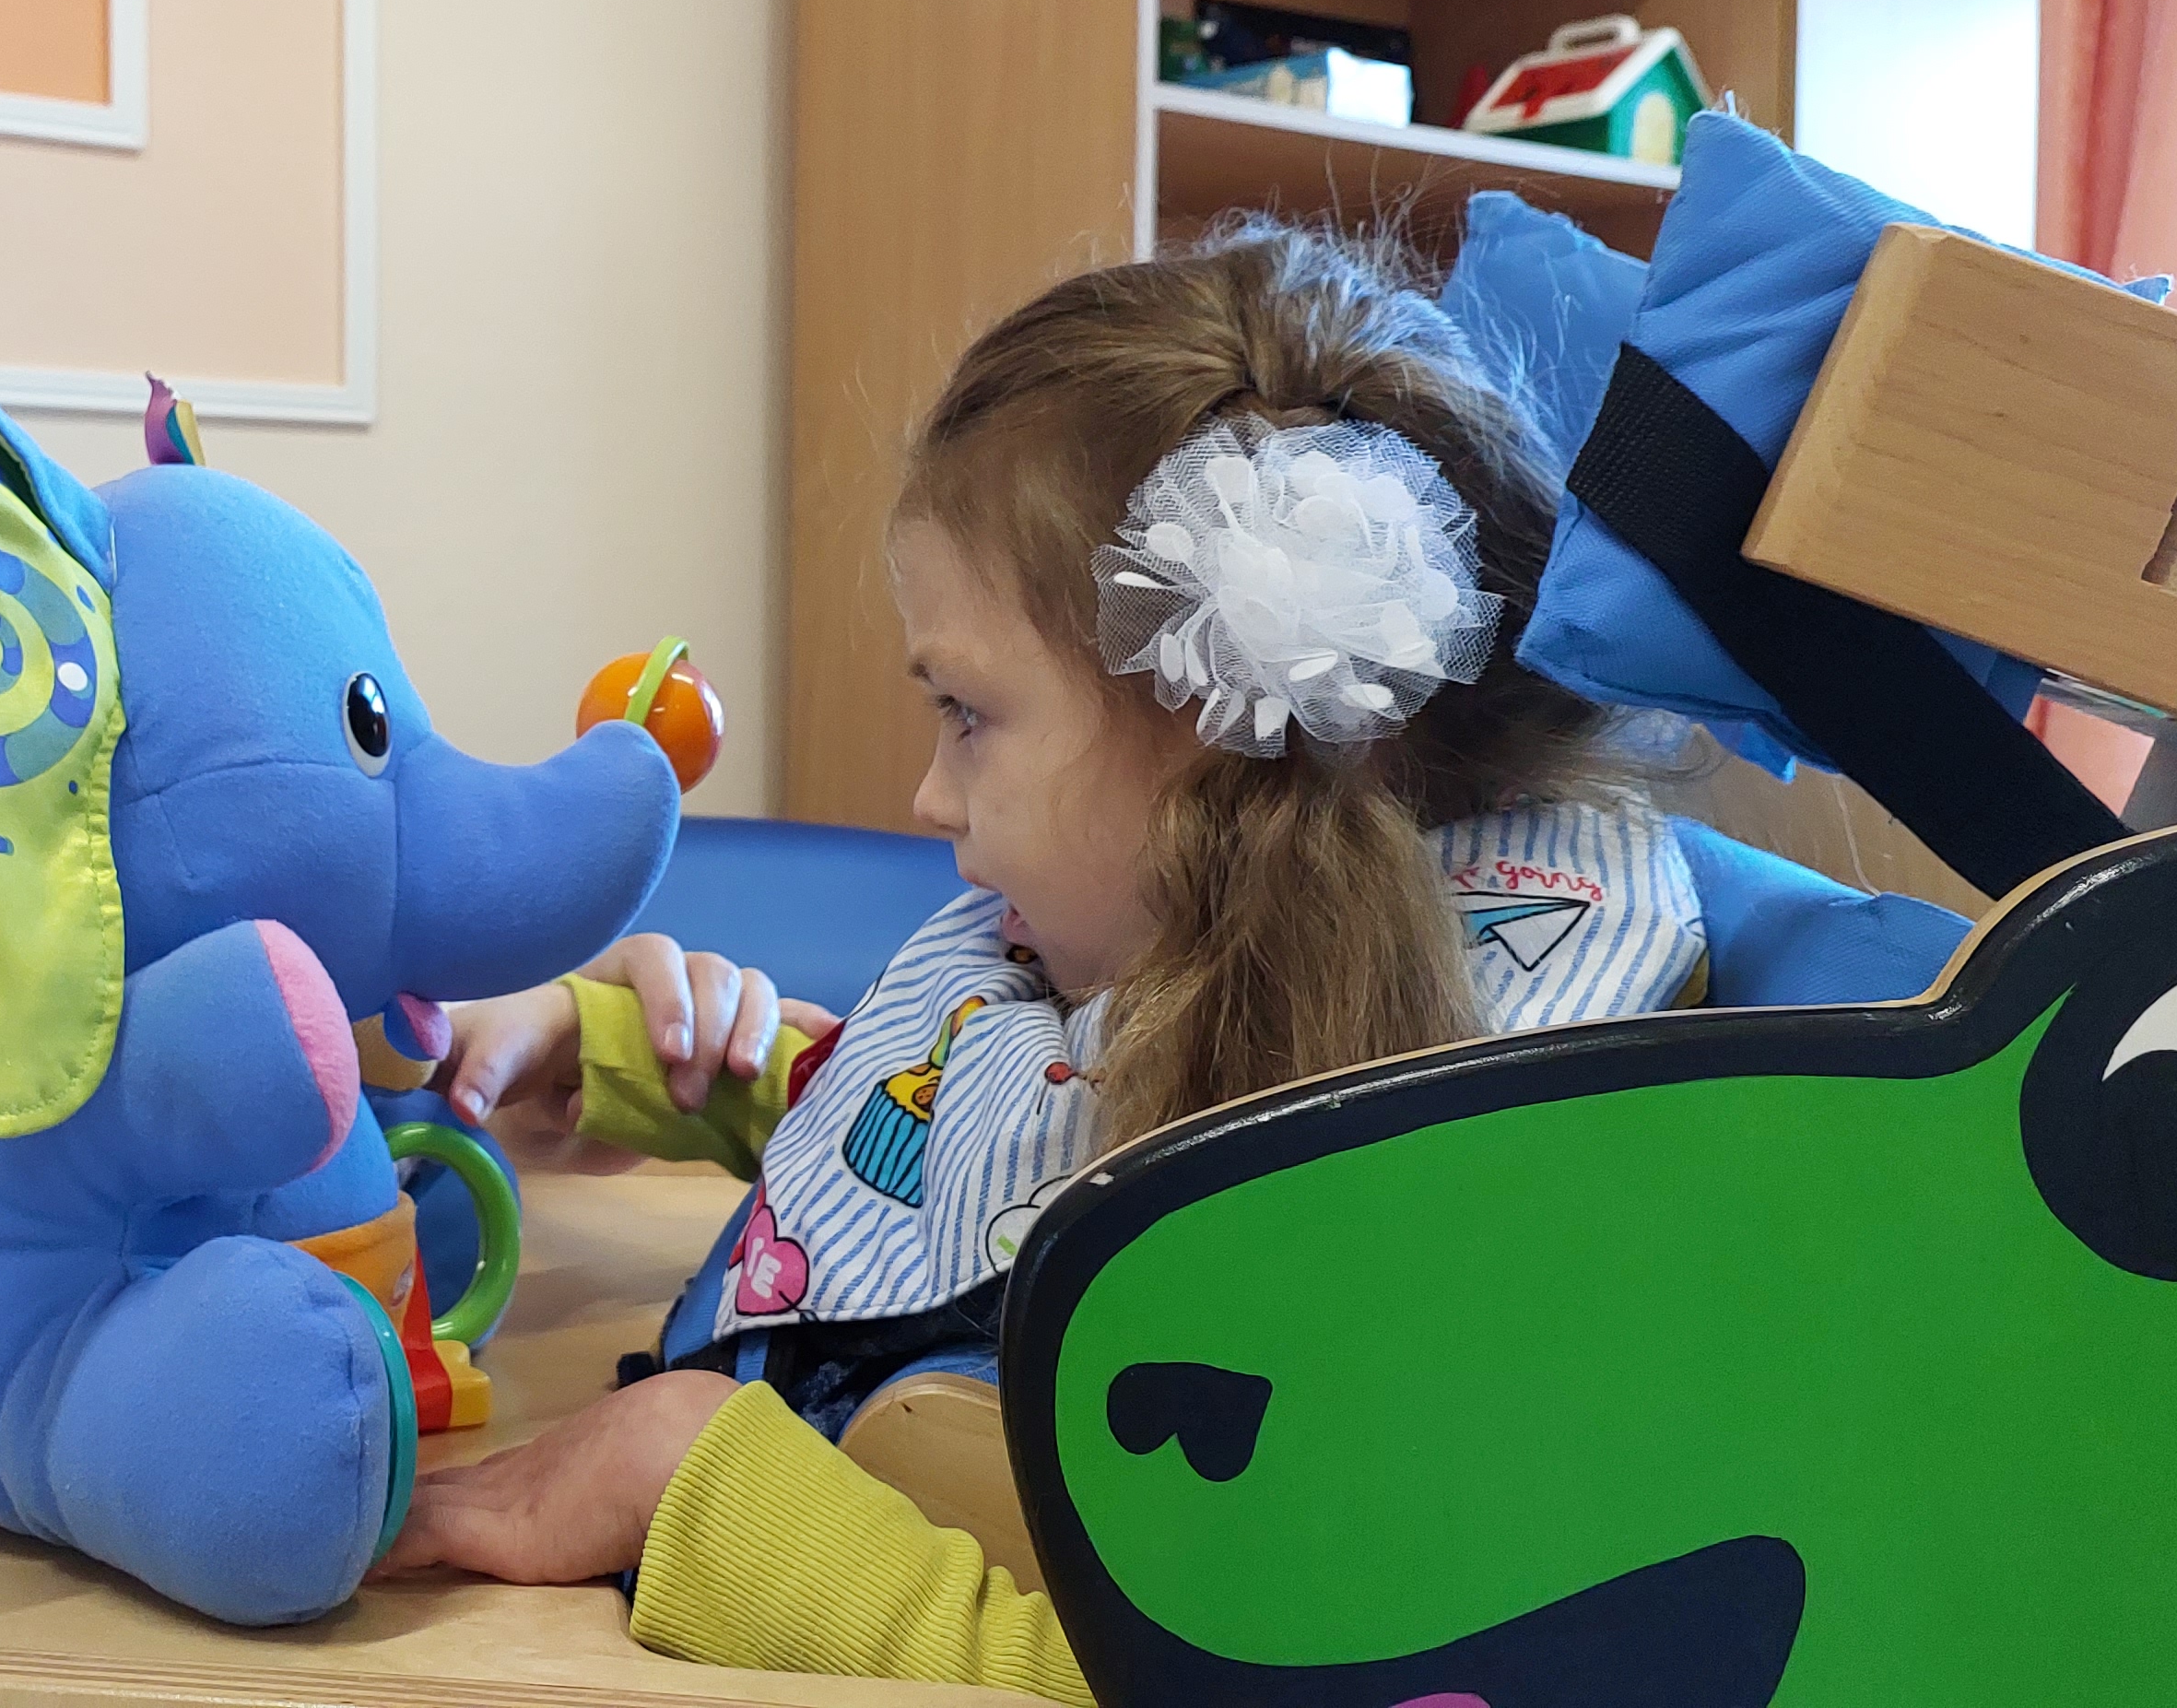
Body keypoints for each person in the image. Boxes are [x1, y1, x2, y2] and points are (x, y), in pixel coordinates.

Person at [387, 225, 1722, 1700]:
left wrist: (688, 1480)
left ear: (1213, 734)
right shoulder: (1128, 950)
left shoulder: (1440, 1247)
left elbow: (1214, 1676)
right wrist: (643, 1062)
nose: (929, 796)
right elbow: (969, 1140)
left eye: (967, 714)